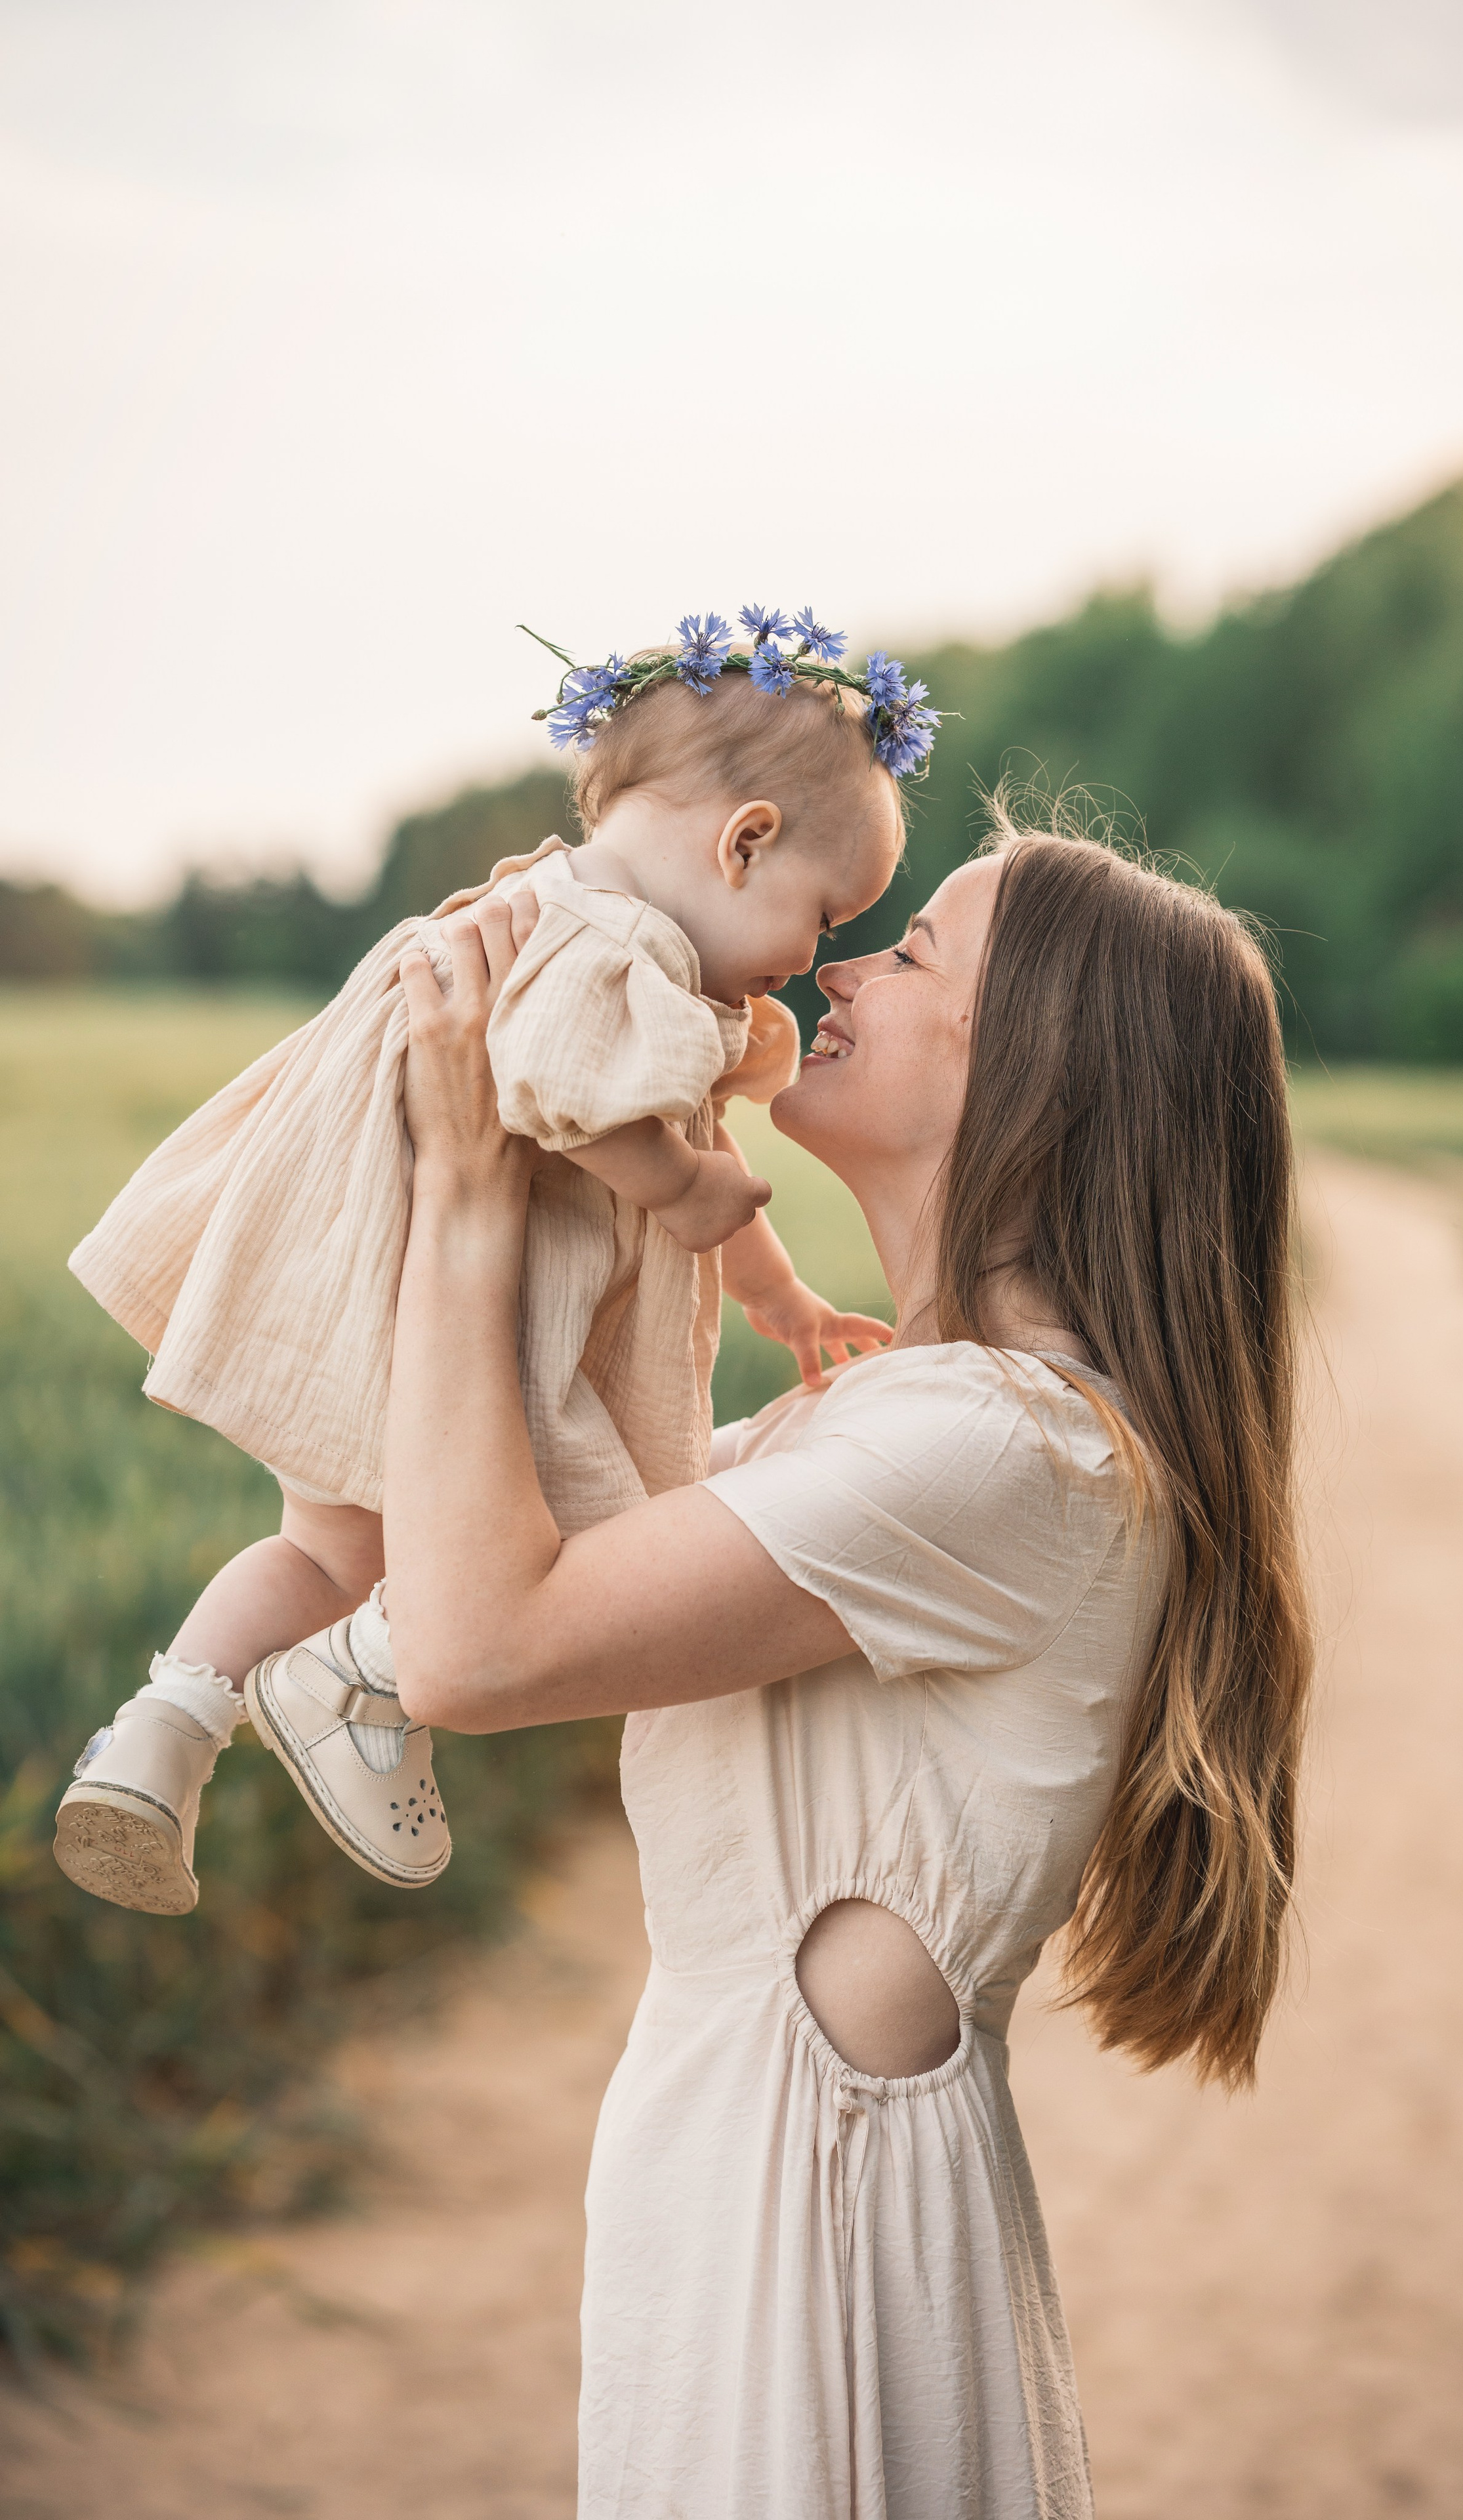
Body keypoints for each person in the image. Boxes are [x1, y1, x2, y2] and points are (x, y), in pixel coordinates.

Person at [381, 805, 1313, 2519]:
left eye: (915, 950)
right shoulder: (896, 1417)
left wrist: (462, 1191)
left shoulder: (1006, 1451)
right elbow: (477, 1518)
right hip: (740, 2171)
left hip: (813, 2226)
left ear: (1037, 1072)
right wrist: (566, 1041)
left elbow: (471, 1642)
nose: (842, 967)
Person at [54, 610, 918, 1917]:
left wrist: (775, 1293)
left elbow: (685, 1126)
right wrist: (677, 1186)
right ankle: (359, 1697)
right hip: (465, 1316)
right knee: (562, 1553)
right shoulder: (613, 949)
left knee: (326, 1553)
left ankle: (160, 1737)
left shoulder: (541, 910)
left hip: (364, 1291)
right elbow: (561, 1087)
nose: (815, 957)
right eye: (825, 912)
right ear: (743, 842)